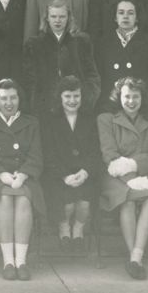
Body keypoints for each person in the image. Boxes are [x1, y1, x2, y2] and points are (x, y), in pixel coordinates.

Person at [98, 76, 148, 280]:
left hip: (147, 176)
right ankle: (133, 255)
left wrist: (134, 165)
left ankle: (136, 257)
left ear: (143, 98)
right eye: (127, 96)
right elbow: (109, 155)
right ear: (119, 97)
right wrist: (130, 176)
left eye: (136, 96)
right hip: (116, 177)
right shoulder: (106, 120)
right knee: (126, 200)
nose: (131, 101)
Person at [0, 78, 45, 281]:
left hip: (24, 177)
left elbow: (36, 156)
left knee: (24, 198)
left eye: (13, 98)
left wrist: (23, 174)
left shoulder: (31, 122)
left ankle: (21, 261)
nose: (9, 103)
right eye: (4, 98)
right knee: (5, 198)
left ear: (19, 99)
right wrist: (2, 175)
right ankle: (8, 261)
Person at [41, 76, 101, 248]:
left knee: (84, 203)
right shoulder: (50, 120)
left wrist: (85, 172)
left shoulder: (90, 118)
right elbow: (48, 152)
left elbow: (95, 151)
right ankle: (64, 227)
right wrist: (64, 176)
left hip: (85, 174)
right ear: (60, 97)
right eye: (67, 96)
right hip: (58, 174)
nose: (72, 101)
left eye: (76, 96)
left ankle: (79, 228)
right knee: (66, 203)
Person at [22, 0, 100, 114]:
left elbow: (92, 74)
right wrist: (36, 103)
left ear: (68, 17)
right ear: (47, 18)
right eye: (53, 16)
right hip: (46, 109)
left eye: (62, 16)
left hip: (77, 106)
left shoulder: (81, 41)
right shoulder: (34, 44)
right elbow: (29, 80)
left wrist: (88, 98)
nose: (57, 20)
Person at [95, 0, 148, 115]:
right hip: (111, 106)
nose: (125, 16)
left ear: (137, 18)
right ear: (115, 17)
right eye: (121, 13)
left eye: (130, 13)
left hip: (141, 106)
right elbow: (100, 79)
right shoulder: (103, 43)